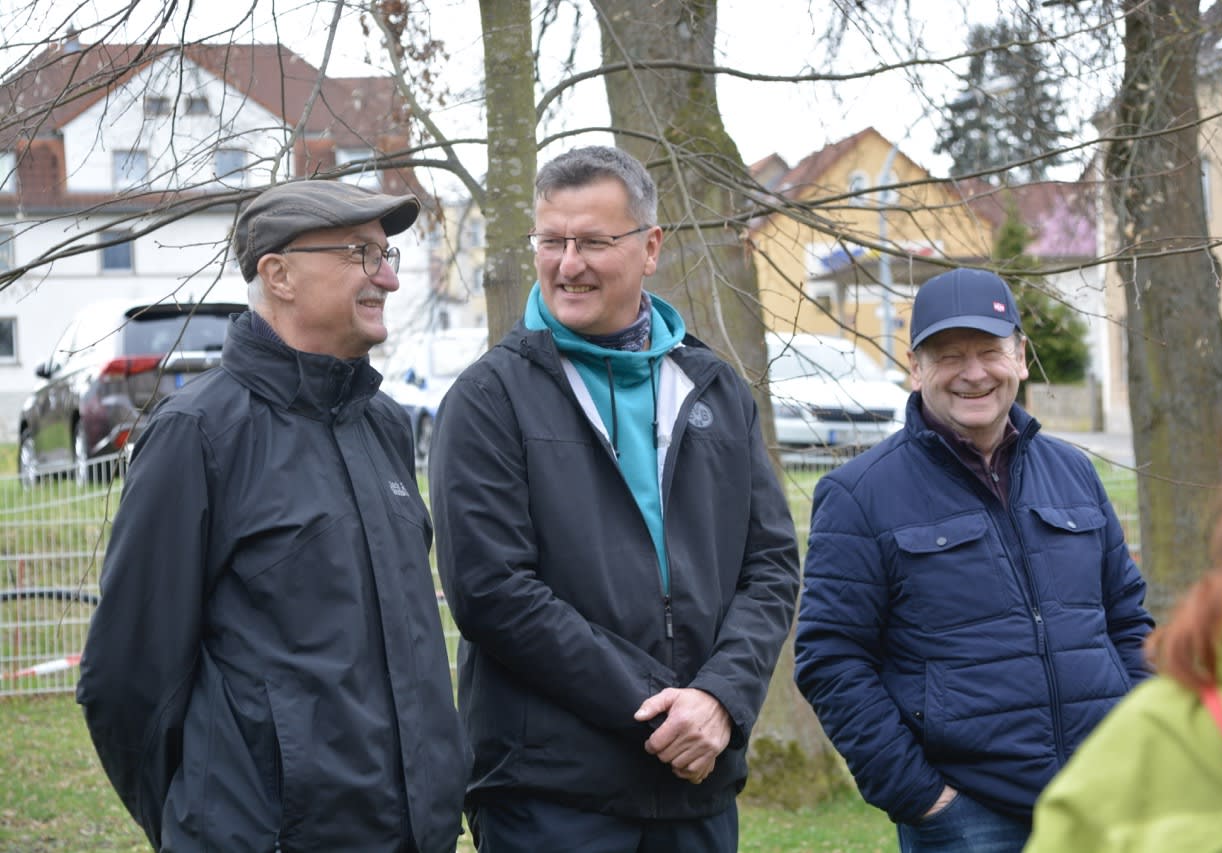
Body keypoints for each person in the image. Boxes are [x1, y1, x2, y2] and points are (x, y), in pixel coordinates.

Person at [428, 145, 800, 852]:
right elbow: (492, 592)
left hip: (697, 789)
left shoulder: (716, 389)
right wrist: (665, 711)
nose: (568, 265)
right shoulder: (488, 399)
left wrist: (720, 698)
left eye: (594, 242)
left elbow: (771, 565)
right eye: (552, 241)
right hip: (552, 798)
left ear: (650, 246)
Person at [77, 180, 468, 852]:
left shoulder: (384, 425)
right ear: (279, 274)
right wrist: (207, 822)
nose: (389, 278)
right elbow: (125, 680)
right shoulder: (198, 433)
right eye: (362, 253)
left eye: (387, 255)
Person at [793, 267, 1155, 853]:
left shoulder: (1074, 473)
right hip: (969, 817)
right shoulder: (860, 494)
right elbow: (831, 659)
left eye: (990, 352)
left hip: (1106, 802)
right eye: (949, 356)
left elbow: (1128, 621)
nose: (974, 373)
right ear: (916, 368)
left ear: (1020, 357)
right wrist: (921, 798)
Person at [1025, 433, 1222, 853]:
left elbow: (1125, 611)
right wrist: (926, 795)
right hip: (972, 794)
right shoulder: (1155, 734)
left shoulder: (1070, 470)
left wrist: (1144, 707)